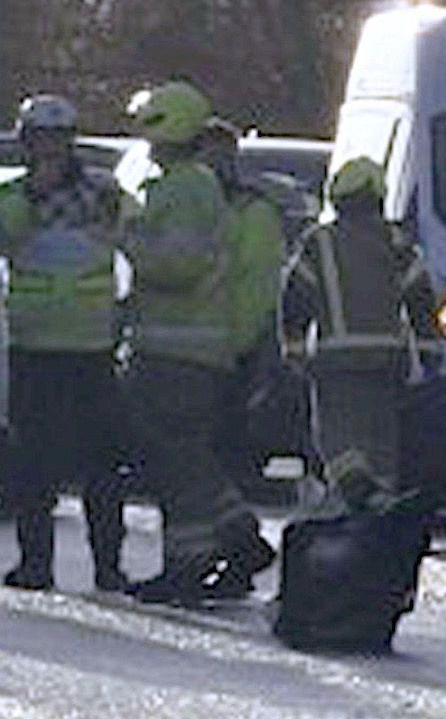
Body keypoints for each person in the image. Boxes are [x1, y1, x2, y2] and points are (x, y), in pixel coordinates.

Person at [119, 81, 275, 607]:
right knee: (186, 458)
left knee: (178, 462)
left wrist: (127, 235)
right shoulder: (194, 187)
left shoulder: (183, 190)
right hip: (192, 350)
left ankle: (191, 563)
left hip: (176, 352)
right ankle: (231, 539)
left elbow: (177, 267)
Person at [0, 94, 129, 593]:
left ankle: (108, 566)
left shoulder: (103, 192)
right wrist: (32, 197)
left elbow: (135, 231)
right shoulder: (10, 196)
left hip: (91, 346)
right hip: (35, 345)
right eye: (41, 141)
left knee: (102, 466)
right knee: (32, 465)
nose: (51, 152)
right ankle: (35, 565)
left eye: (58, 141)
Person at [279, 157, 438, 488]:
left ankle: (353, 498)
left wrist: (293, 350)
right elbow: (421, 301)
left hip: (336, 364)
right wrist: (428, 354)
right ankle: (381, 512)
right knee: (381, 444)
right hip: (388, 363)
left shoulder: (319, 242)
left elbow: (295, 298)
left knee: (338, 442)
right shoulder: (397, 242)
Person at [200, 117, 290, 596]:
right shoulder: (201, 203)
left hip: (229, 353)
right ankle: (225, 550)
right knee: (210, 457)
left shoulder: (251, 211)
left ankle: (236, 551)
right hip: (201, 347)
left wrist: (239, 346)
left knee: (219, 458)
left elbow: (257, 286)